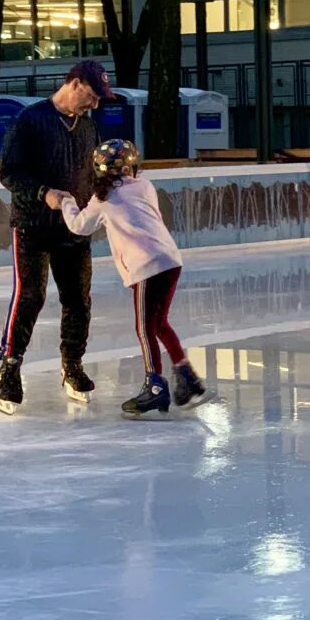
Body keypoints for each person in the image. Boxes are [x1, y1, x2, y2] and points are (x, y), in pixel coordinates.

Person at [0, 60, 114, 415]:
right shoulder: (31, 120)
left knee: (78, 299)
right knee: (30, 297)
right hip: (32, 227)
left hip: (74, 229)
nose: (94, 105)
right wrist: (43, 192)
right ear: (74, 84)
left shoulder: (89, 128)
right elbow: (9, 173)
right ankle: (10, 367)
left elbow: (95, 175)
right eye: (91, 96)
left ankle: (72, 364)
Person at [53, 139, 207, 418]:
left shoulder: (104, 197)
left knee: (145, 328)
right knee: (159, 324)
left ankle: (155, 386)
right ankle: (187, 375)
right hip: (170, 259)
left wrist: (66, 202)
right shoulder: (144, 187)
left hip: (146, 265)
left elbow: (79, 226)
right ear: (130, 167)